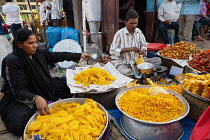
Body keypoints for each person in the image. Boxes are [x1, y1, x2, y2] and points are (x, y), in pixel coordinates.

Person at [0, 28, 90, 136]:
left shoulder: (37, 53)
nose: (35, 46)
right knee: (22, 122)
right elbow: (19, 90)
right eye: (30, 43)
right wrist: (36, 98)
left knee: (72, 85)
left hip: (44, 86)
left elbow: (55, 56)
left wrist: (78, 55)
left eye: (35, 42)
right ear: (19, 44)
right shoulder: (12, 61)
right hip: (21, 98)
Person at [109, 9, 161, 76]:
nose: (134, 25)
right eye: (131, 23)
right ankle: (142, 71)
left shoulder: (138, 32)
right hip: (125, 63)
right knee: (123, 71)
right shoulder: (119, 34)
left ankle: (138, 71)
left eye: (136, 23)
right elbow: (112, 51)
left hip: (138, 61)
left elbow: (144, 45)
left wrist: (143, 50)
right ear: (125, 22)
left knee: (159, 60)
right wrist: (128, 49)